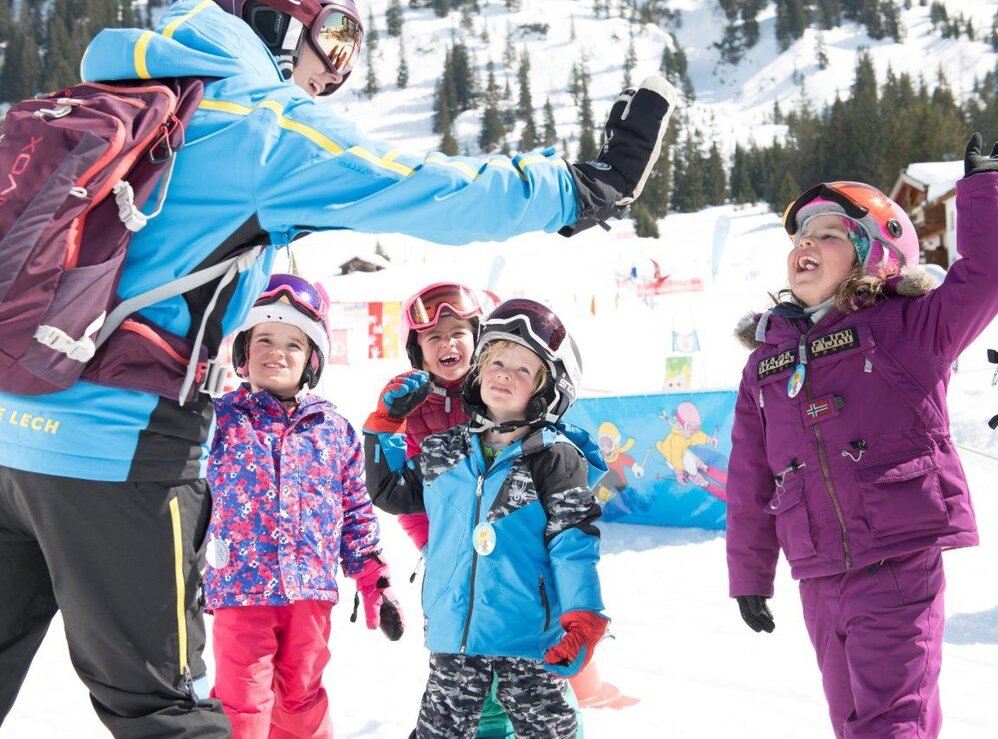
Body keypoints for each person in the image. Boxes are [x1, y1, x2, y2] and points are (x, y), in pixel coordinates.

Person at [0, 0, 676, 734]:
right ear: (277, 24)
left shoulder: (97, 100)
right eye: (335, 36)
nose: (336, 72)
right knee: (161, 705)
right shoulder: (255, 124)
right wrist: (584, 187)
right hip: (117, 449)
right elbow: (423, 186)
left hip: (9, 433)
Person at [725, 135, 998, 738]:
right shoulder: (766, 364)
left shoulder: (909, 329)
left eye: (827, 234)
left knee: (891, 722)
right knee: (852, 721)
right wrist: (749, 574)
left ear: (874, 254)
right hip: (819, 570)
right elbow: (749, 477)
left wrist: (987, 188)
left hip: (896, 562)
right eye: (800, 236)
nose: (805, 245)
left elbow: (985, 275)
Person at [370, 298, 608, 739]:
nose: (503, 373)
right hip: (455, 640)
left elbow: (573, 542)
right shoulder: (446, 450)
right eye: (495, 360)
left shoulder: (553, 456)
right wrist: (385, 425)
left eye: (522, 369)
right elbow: (391, 491)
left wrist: (583, 617)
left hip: (530, 643)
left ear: (546, 389)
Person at [203, 273, 402, 737]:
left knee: (302, 695)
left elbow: (354, 511)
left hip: (309, 591)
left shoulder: (333, 429)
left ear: (312, 360)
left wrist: (374, 578)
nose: (277, 352)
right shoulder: (218, 420)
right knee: (243, 700)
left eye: (293, 344)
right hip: (239, 588)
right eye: (264, 339)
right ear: (242, 354)